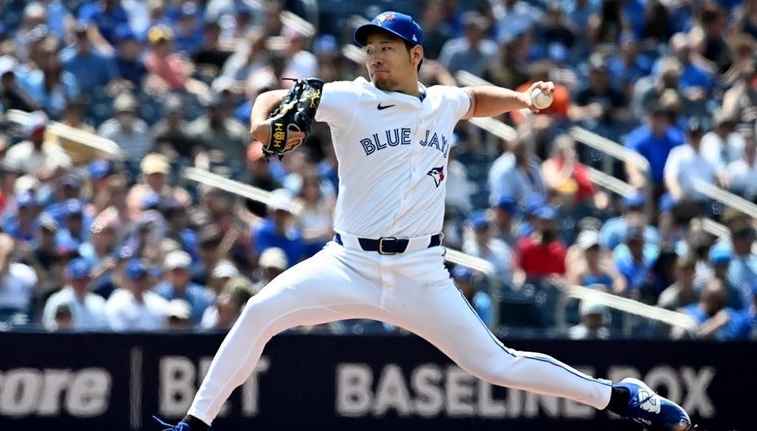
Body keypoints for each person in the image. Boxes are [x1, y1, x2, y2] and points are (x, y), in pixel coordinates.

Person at [158, 12, 692, 431]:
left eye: (386, 48)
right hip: (349, 261)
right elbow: (274, 96)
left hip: (420, 271)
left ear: (416, 53)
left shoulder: (440, 101)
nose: (375, 59)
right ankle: (195, 425)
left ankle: (621, 397)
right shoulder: (352, 98)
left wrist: (522, 100)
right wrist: (259, 123)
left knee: (497, 366)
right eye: (369, 50)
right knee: (258, 311)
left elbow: (474, 100)